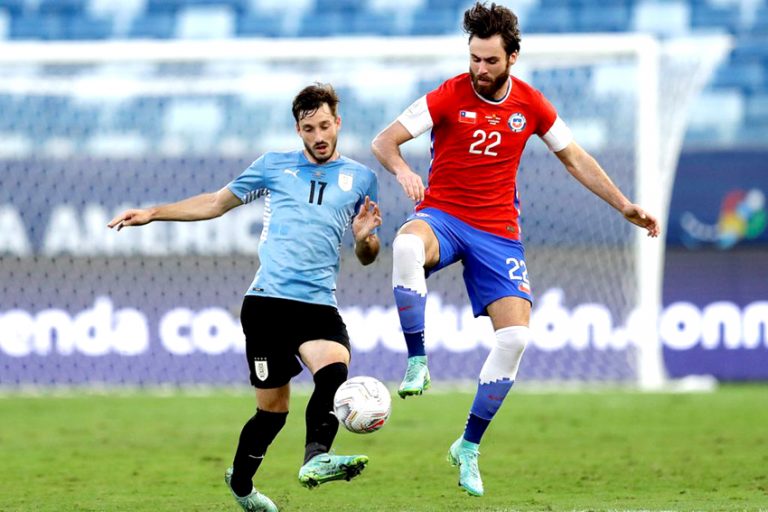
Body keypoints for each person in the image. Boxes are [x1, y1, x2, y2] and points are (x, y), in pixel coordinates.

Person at [371, 1, 660, 498]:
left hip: (498, 232)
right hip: (442, 216)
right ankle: (418, 360)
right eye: (474, 59)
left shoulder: (532, 104)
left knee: (515, 342)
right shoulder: (447, 95)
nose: (479, 70)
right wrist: (402, 170)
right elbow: (384, 141)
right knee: (403, 246)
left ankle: (467, 446)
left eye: (490, 61)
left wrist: (624, 205)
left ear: (512, 58)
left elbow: (574, 158)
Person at [108, 83, 381, 512]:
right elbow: (216, 204)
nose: (319, 136)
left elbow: (367, 254)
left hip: (319, 305)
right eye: (309, 128)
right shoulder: (273, 167)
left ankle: (317, 458)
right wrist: (153, 212)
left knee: (333, 371)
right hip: (268, 304)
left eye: (325, 125)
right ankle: (241, 485)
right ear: (298, 129)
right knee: (273, 413)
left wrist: (365, 239)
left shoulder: (362, 179)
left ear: (338, 122)